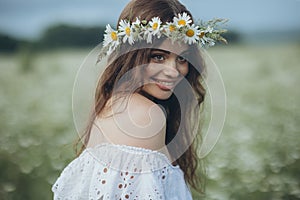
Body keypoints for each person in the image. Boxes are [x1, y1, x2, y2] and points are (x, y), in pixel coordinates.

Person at [52, 0, 227, 199]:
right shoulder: (144, 115)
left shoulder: (116, 104)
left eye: (182, 58)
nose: (173, 71)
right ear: (131, 56)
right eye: (158, 57)